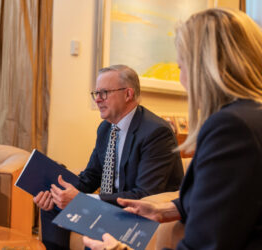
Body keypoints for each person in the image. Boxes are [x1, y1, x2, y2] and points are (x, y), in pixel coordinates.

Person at [83, 8, 262, 250]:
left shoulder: (231, 128)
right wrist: (168, 209)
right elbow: (232, 200)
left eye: (181, 67)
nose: (181, 79)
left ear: (205, 66)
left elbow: (205, 244)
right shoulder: (249, 118)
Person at [35, 65, 184, 249]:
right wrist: (57, 192)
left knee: (97, 229)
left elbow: (145, 194)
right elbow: (90, 177)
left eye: (104, 93)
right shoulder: (106, 128)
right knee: (52, 207)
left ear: (128, 94)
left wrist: (85, 200)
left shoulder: (156, 132)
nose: (97, 100)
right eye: (96, 93)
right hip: (110, 207)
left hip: (136, 212)